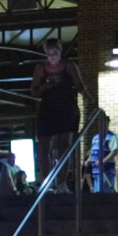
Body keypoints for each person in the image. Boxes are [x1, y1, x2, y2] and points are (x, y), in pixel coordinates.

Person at [31, 37, 88, 192]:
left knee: (65, 145)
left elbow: (79, 84)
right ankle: (47, 181)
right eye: (49, 54)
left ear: (60, 51)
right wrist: (44, 86)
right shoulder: (40, 69)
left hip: (66, 108)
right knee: (44, 146)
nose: (53, 57)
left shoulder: (69, 65)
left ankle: (62, 182)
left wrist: (88, 97)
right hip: (48, 109)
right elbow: (34, 90)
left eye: (55, 53)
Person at [87, 110, 118, 192]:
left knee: (106, 193)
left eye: (105, 122)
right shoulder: (95, 137)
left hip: (107, 172)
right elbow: (93, 152)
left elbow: (114, 151)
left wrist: (103, 161)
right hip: (96, 171)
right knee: (97, 193)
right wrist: (88, 160)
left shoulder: (111, 136)